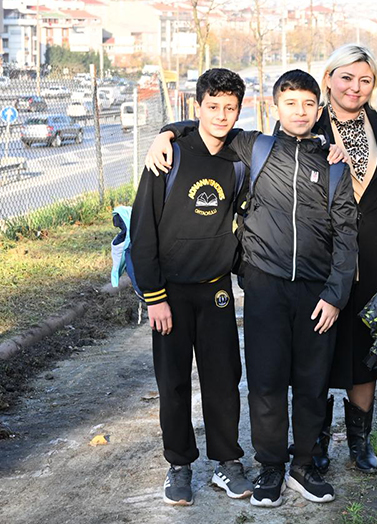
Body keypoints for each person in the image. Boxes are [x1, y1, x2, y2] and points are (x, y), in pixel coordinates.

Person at [145, 70, 359, 507]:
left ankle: (303, 465)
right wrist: (165, 133)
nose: (299, 112)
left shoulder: (334, 165)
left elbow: (347, 236)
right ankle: (270, 467)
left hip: (317, 292)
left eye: (307, 104)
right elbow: (206, 126)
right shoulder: (256, 147)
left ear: (318, 109)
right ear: (274, 108)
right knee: (265, 382)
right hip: (263, 286)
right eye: (290, 103)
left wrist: (336, 295)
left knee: (311, 383)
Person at [130, 68, 252, 506]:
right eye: (213, 106)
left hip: (215, 289)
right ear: (196, 107)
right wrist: (154, 297)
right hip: (172, 295)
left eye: (230, 108)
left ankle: (227, 462)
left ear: (239, 110)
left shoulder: (239, 158)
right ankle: (179, 465)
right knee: (174, 384)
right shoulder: (169, 155)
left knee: (223, 379)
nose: (221, 115)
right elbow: (143, 232)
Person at [315, 44, 377, 475]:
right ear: (329, 77)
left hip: (373, 251)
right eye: (346, 77)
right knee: (318, 343)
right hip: (321, 252)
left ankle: (360, 440)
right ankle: (315, 440)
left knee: (365, 347)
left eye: (364, 79)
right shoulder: (307, 120)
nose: (355, 87)